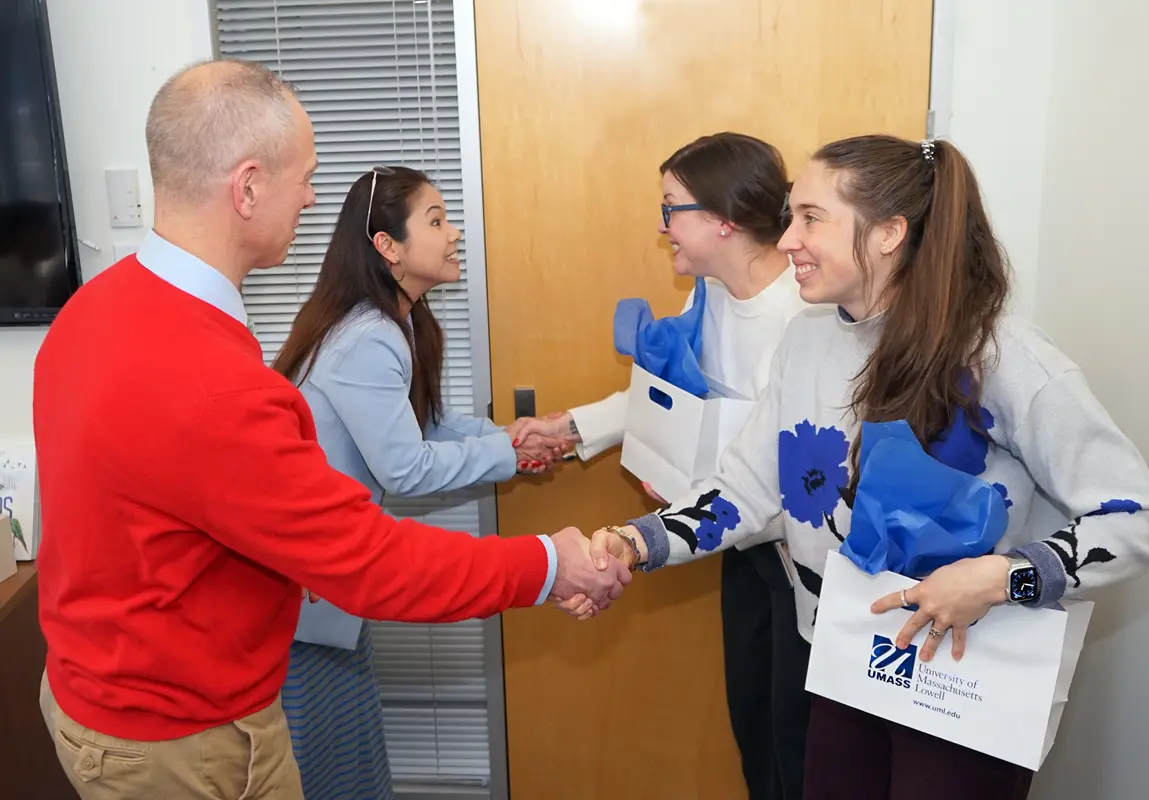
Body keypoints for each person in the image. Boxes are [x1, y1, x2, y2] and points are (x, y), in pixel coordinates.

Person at [32, 59, 628, 800]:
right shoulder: (212, 383)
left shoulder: (95, 309)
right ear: (247, 187)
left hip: (100, 693)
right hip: (179, 738)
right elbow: (371, 563)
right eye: (305, 177)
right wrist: (550, 564)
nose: (315, 199)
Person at [571, 134, 1149, 799]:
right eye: (790, 216)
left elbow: (1140, 518)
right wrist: (639, 541)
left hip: (963, 682)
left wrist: (1004, 576)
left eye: (811, 218)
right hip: (845, 660)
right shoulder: (805, 341)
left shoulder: (1000, 355)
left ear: (889, 232)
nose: (785, 242)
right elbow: (745, 489)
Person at [271, 165, 568, 800]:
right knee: (326, 769)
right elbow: (405, 466)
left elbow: (427, 423)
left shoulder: (396, 321)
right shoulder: (367, 336)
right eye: (436, 220)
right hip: (304, 594)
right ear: (388, 247)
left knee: (351, 759)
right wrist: (511, 455)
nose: (454, 232)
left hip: (327, 581)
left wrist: (509, 436)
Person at [539, 132, 812, 799]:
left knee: (797, 742)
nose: (663, 229)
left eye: (672, 209)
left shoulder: (809, 318)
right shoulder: (709, 294)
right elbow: (665, 394)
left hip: (803, 561)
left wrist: (645, 540)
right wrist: (571, 428)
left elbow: (795, 477)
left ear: (725, 219)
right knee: (754, 724)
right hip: (738, 546)